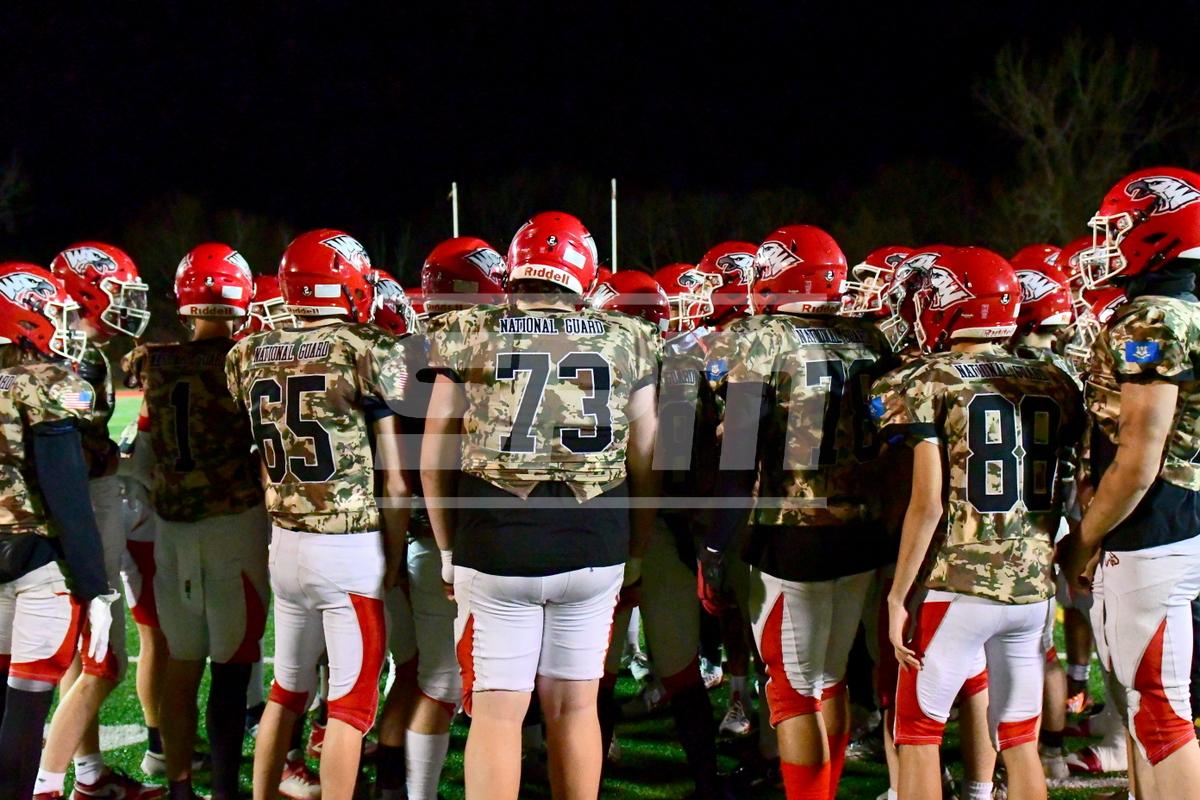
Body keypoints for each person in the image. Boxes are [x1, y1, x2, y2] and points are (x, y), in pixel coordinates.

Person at [422, 211, 659, 800]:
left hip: (496, 539)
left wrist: (447, 550)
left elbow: (434, 454)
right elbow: (647, 456)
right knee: (576, 708)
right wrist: (637, 549)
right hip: (596, 539)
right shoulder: (628, 335)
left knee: (498, 715)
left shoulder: (468, 328)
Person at [873, 246, 1082, 800]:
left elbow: (928, 505)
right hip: (1033, 589)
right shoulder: (1055, 378)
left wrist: (897, 595)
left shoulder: (928, 379)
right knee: (1019, 742)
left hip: (959, 584)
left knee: (918, 734)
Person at [701, 225, 892, 800]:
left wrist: (715, 546)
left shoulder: (758, 338)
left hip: (793, 532)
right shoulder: (870, 338)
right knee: (829, 679)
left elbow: (738, 455)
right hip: (860, 528)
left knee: (791, 690)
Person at [226, 229, 412, 800]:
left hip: (285, 542)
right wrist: (395, 556)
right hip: (348, 548)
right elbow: (395, 478)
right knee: (351, 708)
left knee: (286, 691)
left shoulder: (248, 351)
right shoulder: (365, 347)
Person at [1062, 166, 1200, 797]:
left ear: (1159, 231)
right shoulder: (1187, 307)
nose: (1108, 242)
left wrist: (1085, 538)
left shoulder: (1153, 317)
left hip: (1156, 526)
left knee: (1162, 710)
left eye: (1119, 228)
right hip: (1185, 514)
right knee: (1155, 706)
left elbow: (1140, 458)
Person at [125, 243, 269, 800]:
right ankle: (226, 790)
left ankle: (181, 788)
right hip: (233, 525)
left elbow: (142, 459)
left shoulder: (156, 364)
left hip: (172, 530)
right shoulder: (246, 359)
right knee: (232, 670)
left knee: (182, 668)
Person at [589, 269, 731, 798]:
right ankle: (707, 784)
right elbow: (712, 462)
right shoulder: (687, 370)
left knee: (595, 676)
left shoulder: (595, 366)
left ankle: (586, 783)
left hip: (608, 534)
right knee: (680, 671)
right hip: (667, 536)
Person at [373, 241, 503, 800]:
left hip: (384, 533)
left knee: (409, 670)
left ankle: (388, 783)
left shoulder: (395, 351)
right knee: (442, 681)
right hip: (438, 536)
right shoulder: (466, 354)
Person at [39, 242, 161, 800]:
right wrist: (119, 463)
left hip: (56, 512)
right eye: (117, 291)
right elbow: (70, 453)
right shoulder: (73, 355)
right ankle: (47, 782)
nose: (127, 305)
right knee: (101, 659)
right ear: (87, 289)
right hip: (80, 509)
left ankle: (87, 773)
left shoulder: (58, 348)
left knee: (78, 651)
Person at [0, 262, 118, 799]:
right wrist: (95, 587)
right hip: (35, 558)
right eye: (51, 312)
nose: (64, 323)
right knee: (25, 708)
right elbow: (68, 493)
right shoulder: (52, 383)